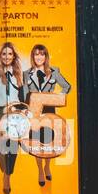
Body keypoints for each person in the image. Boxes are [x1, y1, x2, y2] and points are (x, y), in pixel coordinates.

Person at [0, 43, 28, 194]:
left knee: (13, 146)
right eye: (4, 54)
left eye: (10, 54)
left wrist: (21, 109)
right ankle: (5, 171)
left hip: (14, 111)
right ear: (0, 56)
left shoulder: (19, 73)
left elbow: (23, 96)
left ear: (14, 56)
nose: (7, 57)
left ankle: (7, 177)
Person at [25, 44, 72, 186]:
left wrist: (57, 97)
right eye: (36, 54)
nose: (39, 57)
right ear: (33, 57)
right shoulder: (26, 73)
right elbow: (25, 95)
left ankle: (47, 165)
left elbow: (67, 86)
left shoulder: (54, 71)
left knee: (49, 140)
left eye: (42, 54)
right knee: (37, 142)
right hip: (35, 112)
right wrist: (27, 109)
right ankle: (40, 169)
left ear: (46, 57)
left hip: (50, 112)